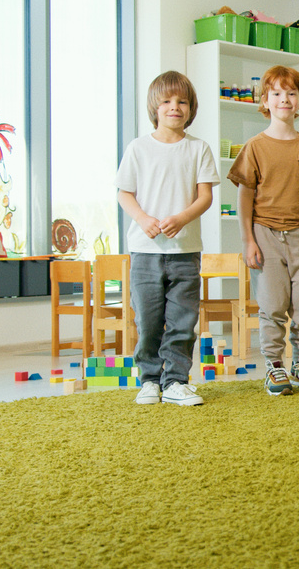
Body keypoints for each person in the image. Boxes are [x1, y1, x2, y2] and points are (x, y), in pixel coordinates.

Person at [117, 70, 219, 406]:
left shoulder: (198, 149)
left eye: (182, 101)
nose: (174, 107)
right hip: (145, 252)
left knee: (182, 321)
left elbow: (205, 197)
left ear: (191, 109)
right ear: (154, 107)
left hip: (185, 251)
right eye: (166, 101)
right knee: (147, 320)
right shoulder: (137, 148)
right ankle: (149, 380)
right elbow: (124, 194)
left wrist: (182, 218)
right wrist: (143, 219)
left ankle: (175, 381)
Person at [230, 65, 299, 396]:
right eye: (276, 93)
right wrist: (248, 240)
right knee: (272, 304)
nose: (284, 99)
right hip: (266, 235)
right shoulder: (255, 147)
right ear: (265, 101)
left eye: (291, 93)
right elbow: (244, 196)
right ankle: (274, 366)